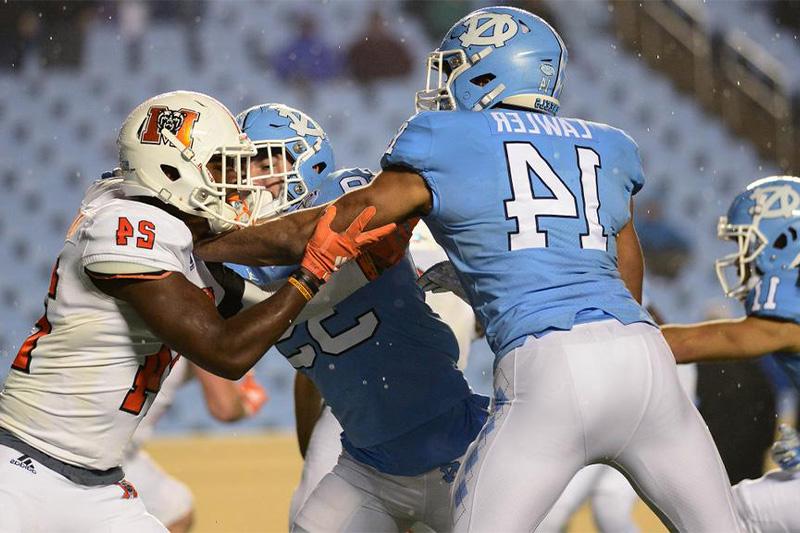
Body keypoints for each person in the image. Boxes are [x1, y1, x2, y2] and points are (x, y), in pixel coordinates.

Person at [196, 7, 740, 532]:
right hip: (641, 354)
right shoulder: (610, 145)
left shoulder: (446, 138)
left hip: (547, 359)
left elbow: (312, 232)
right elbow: (628, 282)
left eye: (454, 69)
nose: (444, 85)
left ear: (487, 74)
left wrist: (200, 244)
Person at [0, 90, 393, 532]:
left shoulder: (180, 239)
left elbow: (272, 312)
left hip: (97, 484)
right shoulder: (123, 225)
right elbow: (226, 352)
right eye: (222, 166)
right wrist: (313, 270)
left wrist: (361, 276)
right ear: (169, 169)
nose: (237, 182)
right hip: (19, 464)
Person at [229, 103, 488, 532]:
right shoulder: (235, 259)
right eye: (240, 165)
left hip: (454, 445)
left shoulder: (348, 198)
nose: (248, 177)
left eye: (264, 161)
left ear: (308, 162)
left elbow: (305, 239)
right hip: (366, 461)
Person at [663, 175, 800, 532]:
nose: (742, 261)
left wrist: (623, 332)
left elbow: (702, 342)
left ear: (785, 243)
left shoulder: (784, 323)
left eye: (749, 244)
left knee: (730, 512)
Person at [124, 358, 267, 533]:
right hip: (110, 454)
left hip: (114, 444)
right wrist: (247, 404)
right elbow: (226, 407)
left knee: (175, 510)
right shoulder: (203, 329)